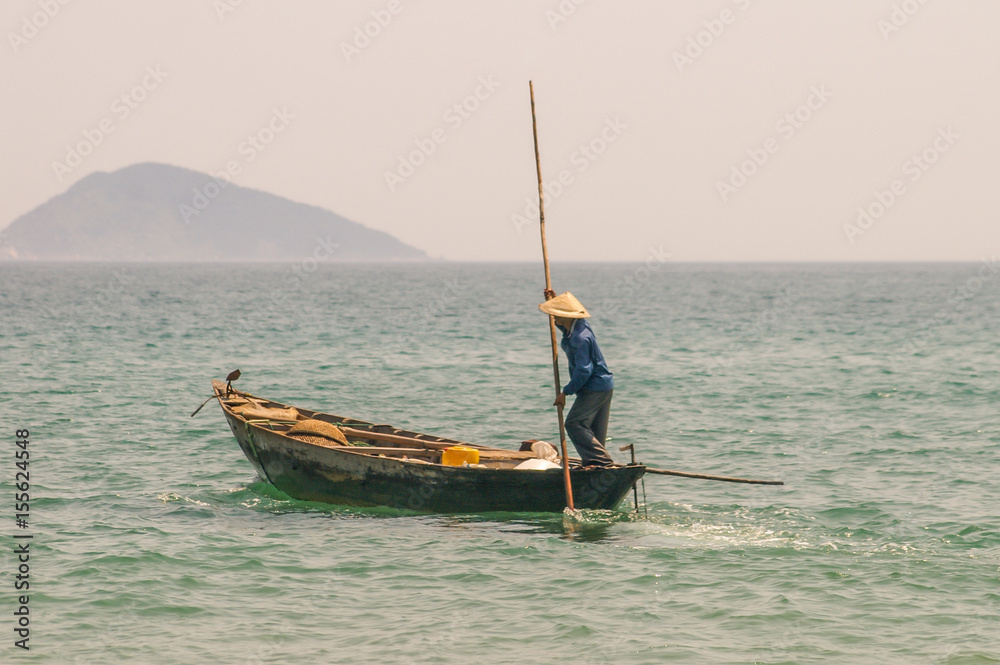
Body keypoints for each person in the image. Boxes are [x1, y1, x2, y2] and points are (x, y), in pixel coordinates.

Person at [538, 290, 615, 468]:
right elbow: (563, 323)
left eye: (556, 314)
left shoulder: (580, 338)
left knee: (574, 423)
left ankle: (602, 462)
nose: (554, 318)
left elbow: (584, 371)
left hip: (594, 387)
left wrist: (565, 392)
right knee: (594, 434)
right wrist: (553, 301)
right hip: (604, 385)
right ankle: (598, 467)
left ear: (564, 316)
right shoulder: (579, 326)